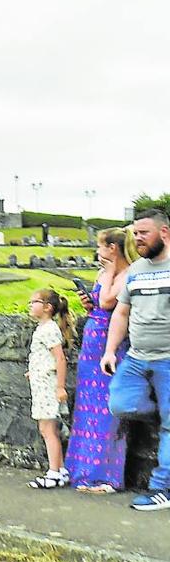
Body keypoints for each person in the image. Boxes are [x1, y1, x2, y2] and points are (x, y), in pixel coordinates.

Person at [104, 208, 170, 511]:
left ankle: (161, 489)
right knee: (119, 403)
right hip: (135, 357)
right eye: (135, 232)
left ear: (164, 233)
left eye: (143, 232)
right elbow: (121, 312)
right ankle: (164, 413)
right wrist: (109, 350)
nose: (137, 238)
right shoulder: (137, 270)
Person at [66, 227, 136, 493]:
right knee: (87, 409)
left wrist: (108, 272)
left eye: (100, 247)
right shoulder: (103, 273)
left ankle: (107, 476)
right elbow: (97, 303)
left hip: (113, 346)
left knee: (108, 411)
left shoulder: (128, 273)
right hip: (92, 346)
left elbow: (107, 301)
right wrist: (87, 301)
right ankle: (83, 470)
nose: (97, 252)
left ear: (112, 248)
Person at [25, 289, 73, 489]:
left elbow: (60, 359)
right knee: (48, 428)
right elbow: (45, 357)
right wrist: (33, 371)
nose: (30, 306)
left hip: (47, 387)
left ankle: (53, 472)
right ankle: (60, 470)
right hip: (41, 383)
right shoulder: (44, 328)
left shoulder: (49, 329)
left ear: (47, 307)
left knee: (48, 429)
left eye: (33, 302)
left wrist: (60, 386)